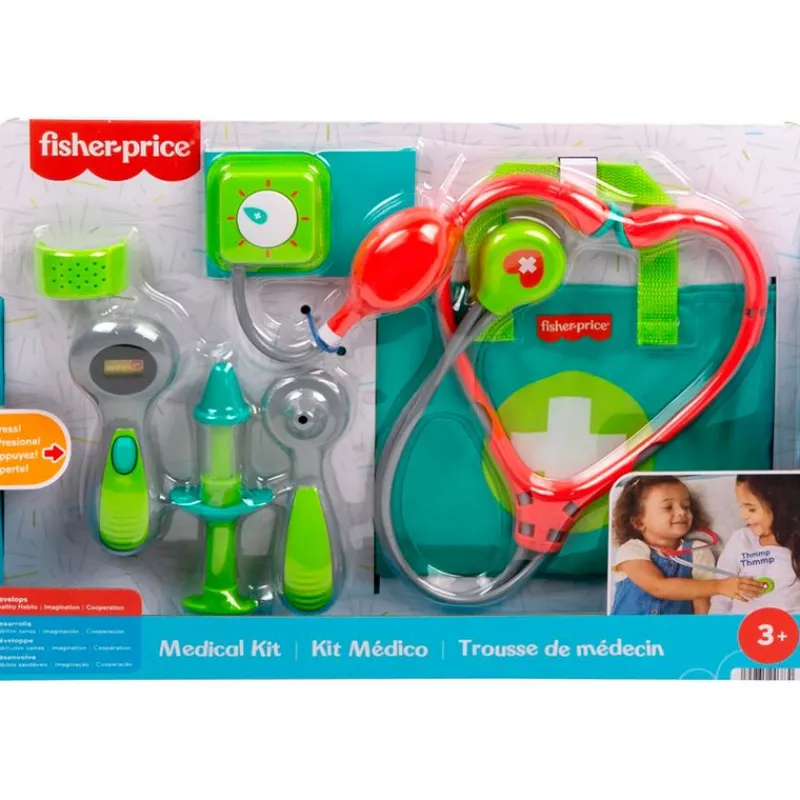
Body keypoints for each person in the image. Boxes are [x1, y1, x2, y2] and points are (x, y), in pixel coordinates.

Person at [611, 475, 764, 615]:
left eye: (685, 506)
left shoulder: (698, 551)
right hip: (628, 635)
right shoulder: (631, 550)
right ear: (639, 522)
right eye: (668, 507)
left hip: (677, 633)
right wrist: (720, 586)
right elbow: (658, 587)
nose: (681, 512)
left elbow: (702, 603)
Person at [709, 474, 800, 614]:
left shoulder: (795, 543)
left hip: (789, 625)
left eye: (751, 509)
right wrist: (717, 625)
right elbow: (720, 597)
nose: (743, 516)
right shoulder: (740, 540)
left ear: (782, 505)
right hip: (740, 624)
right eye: (741, 506)